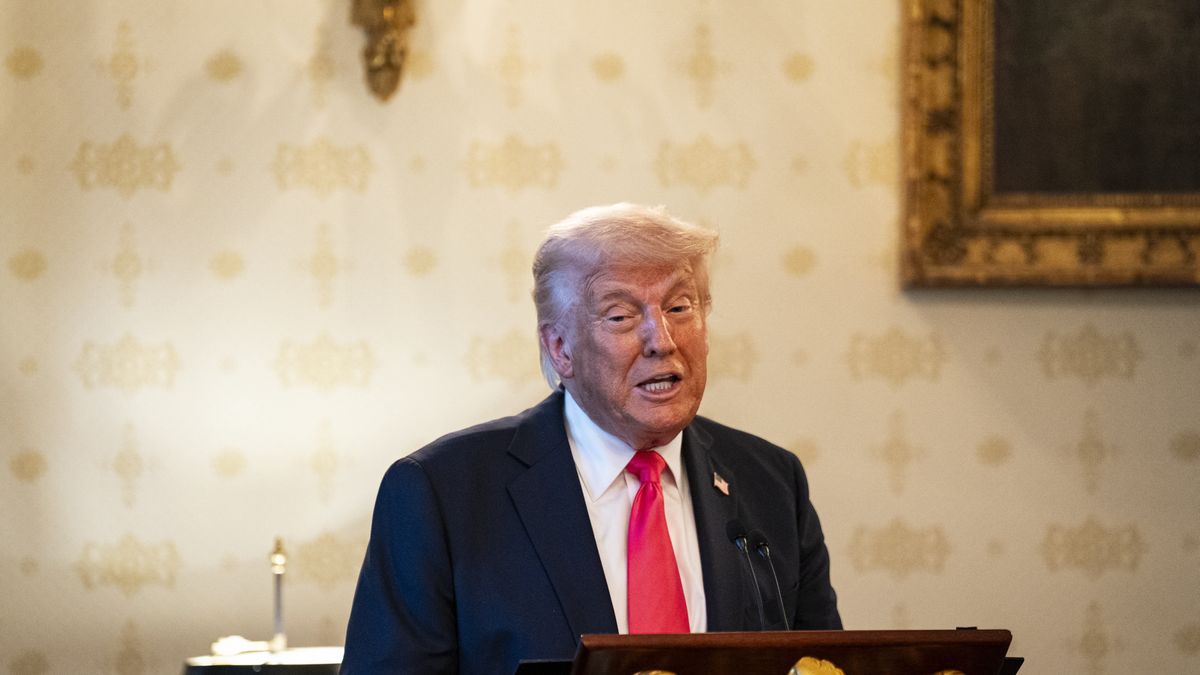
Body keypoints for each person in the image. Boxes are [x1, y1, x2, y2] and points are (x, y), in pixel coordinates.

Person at [341, 203, 840, 675]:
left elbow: (824, 665)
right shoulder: (442, 493)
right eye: (621, 315)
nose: (661, 339)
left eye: (680, 307)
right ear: (560, 349)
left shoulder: (772, 481)